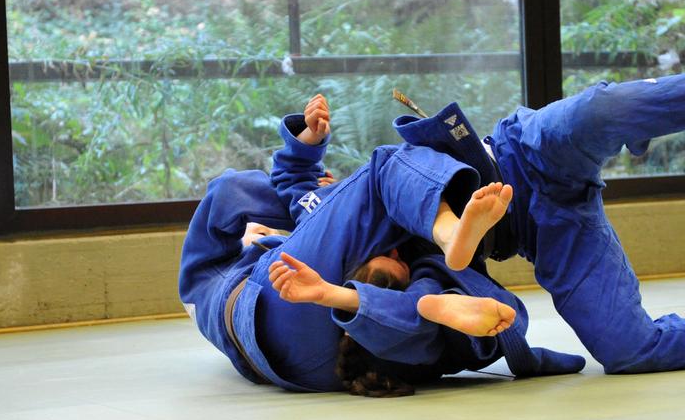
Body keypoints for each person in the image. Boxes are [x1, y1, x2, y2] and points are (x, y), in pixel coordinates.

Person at [383, 72, 685, 371]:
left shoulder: (362, 197)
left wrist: (305, 148)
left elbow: (311, 188)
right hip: (545, 227)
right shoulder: (398, 292)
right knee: (626, 349)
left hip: (524, 149)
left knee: (602, 109)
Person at [179, 94, 585, 394]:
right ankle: (441, 249)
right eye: (392, 255)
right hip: (327, 333)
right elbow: (286, 191)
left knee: (236, 187)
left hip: (310, 348)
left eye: (386, 255)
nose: (391, 248)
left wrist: (306, 146)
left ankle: (430, 278)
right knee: (389, 180)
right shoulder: (233, 279)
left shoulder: (233, 280)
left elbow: (291, 185)